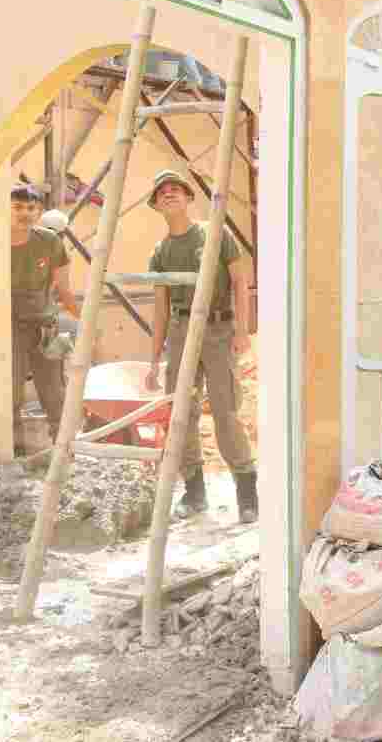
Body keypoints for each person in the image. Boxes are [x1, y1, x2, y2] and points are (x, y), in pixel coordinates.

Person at [143, 170, 258, 524]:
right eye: (162, 193)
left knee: (225, 412)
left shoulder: (214, 234)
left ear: (189, 197)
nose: (170, 195)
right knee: (183, 412)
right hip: (180, 332)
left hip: (219, 329)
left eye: (176, 190)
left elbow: (240, 281)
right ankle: (194, 493)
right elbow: (161, 306)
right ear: (156, 205)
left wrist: (242, 331)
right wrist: (154, 357)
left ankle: (247, 494)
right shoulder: (160, 251)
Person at [10, 183, 78, 455]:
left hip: (43, 325)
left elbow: (63, 288)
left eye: (31, 208)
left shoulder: (50, 242)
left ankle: (63, 451)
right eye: (18, 207)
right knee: (11, 392)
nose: (25, 213)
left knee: (54, 392)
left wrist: (83, 319)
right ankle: (15, 453)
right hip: (9, 327)